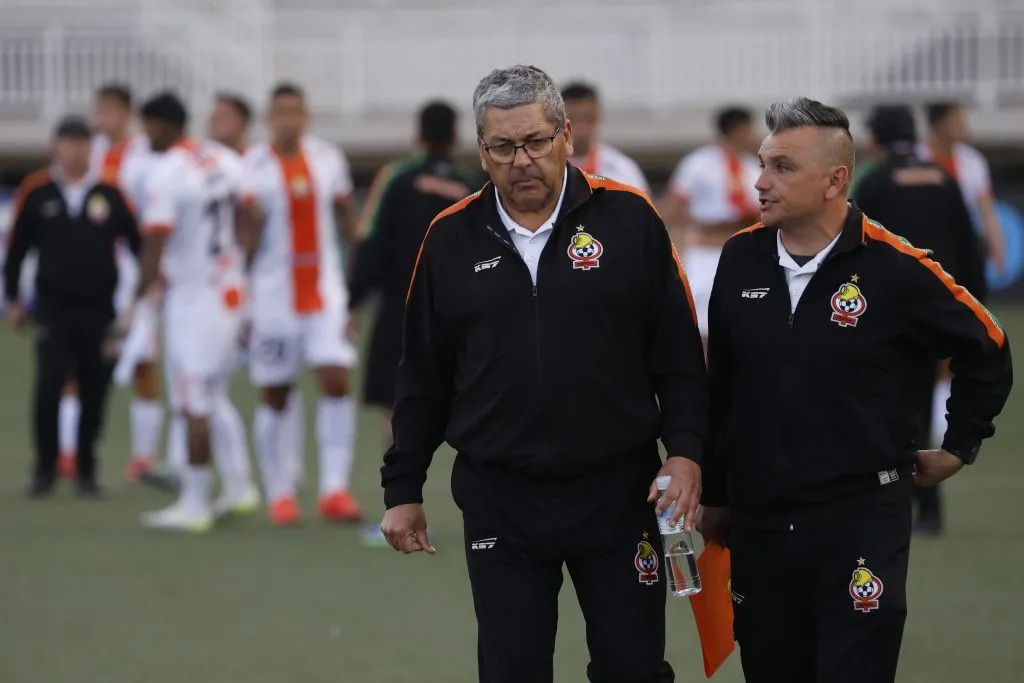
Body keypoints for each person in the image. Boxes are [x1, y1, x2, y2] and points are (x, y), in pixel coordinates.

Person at [380, 64, 707, 683]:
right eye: (503, 147)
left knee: (633, 670)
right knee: (512, 670)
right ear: (481, 152)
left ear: (566, 137)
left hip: (618, 494)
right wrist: (403, 488)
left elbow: (678, 354)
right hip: (500, 497)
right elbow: (422, 374)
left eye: (535, 141)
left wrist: (687, 452)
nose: (522, 160)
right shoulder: (448, 237)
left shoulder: (629, 218)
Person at [698, 97, 1012, 683]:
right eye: (762, 164)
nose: (761, 182)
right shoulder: (740, 257)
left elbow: (988, 345)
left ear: (835, 180)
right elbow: (722, 386)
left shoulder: (895, 265)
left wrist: (959, 445)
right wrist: (715, 491)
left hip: (862, 519)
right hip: (760, 522)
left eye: (783, 167)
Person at [348, 100, 481, 545]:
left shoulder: (396, 177)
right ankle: (489, 511)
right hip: (465, 312)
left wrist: (351, 302)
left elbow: (370, 241)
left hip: (402, 313)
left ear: (418, 135)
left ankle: (398, 507)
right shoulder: (472, 183)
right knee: (478, 405)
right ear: (456, 137)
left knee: (397, 408)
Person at [855, 104, 989, 535]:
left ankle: (890, 498)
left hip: (889, 316)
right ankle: (928, 506)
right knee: (922, 403)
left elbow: (857, 246)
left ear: (875, 138)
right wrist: (974, 308)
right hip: (941, 313)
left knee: (885, 405)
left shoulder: (874, 182)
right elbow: (969, 246)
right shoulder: (944, 178)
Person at [238, 82, 362, 526]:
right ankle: (280, 493)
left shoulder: (328, 158)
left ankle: (334, 489)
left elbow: (346, 218)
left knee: (336, 378)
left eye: (296, 111)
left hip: (324, 290)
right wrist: (241, 296)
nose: (289, 120)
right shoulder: (251, 165)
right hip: (273, 295)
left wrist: (356, 282)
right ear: (269, 118)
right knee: (276, 391)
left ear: (306, 115)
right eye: (281, 112)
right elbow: (242, 236)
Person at [129, 93, 252, 531]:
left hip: (193, 297)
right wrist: (240, 261)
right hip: (229, 289)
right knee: (211, 395)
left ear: (162, 125)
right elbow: (252, 212)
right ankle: (240, 487)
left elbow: (155, 242)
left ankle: (195, 502)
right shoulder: (225, 158)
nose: (145, 134)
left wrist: (136, 298)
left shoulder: (165, 172)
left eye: (147, 126)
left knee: (193, 400)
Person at [3, 116, 141, 497]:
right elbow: (17, 250)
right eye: (69, 142)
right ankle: (44, 468)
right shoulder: (37, 191)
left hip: (99, 307)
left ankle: (86, 470)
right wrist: (14, 298)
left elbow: (137, 244)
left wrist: (138, 297)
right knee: (49, 384)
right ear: (56, 147)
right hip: (52, 307)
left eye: (83, 143)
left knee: (94, 387)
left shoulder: (109, 192)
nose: (76, 150)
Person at [47, 83, 162, 484]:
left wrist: (152, 270)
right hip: (95, 270)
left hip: (134, 268)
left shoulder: (146, 154)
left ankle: (143, 456)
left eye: (110, 111)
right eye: (99, 111)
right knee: (79, 362)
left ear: (127, 114)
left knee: (143, 361)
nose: (103, 119)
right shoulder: (90, 153)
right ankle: (70, 450)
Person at [663, 106, 760, 345]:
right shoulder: (698, 164)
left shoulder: (753, 168)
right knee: (700, 323)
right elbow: (674, 207)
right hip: (705, 249)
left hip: (740, 249)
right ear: (736, 130)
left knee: (739, 321)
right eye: (749, 129)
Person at [560, 81, 650, 193]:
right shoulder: (547, 170)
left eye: (588, 119)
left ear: (599, 118)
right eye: (573, 120)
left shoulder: (623, 170)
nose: (582, 130)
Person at [209, 92, 252, 156]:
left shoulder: (256, 158)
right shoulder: (201, 157)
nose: (215, 122)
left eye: (222, 116)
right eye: (214, 117)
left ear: (241, 122)